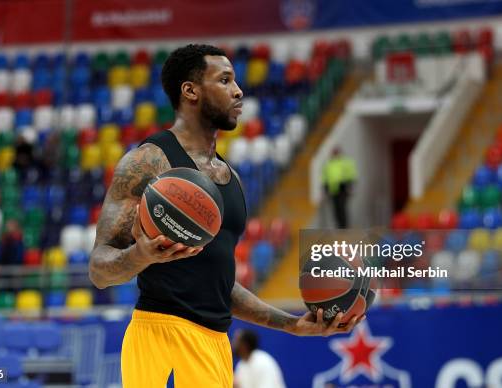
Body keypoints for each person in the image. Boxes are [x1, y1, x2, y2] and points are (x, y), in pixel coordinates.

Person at [89, 44, 365, 388]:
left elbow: (219, 286)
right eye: (225, 80)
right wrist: (139, 255)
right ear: (190, 90)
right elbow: (99, 269)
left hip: (216, 343)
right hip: (158, 333)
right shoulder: (148, 162)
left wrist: (291, 324)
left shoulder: (231, 179)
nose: (239, 91)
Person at [322, 148, 357, 228]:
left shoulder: (345, 162)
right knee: (335, 209)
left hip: (343, 188)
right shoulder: (328, 164)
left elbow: (351, 174)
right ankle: (339, 227)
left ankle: (344, 226)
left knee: (342, 208)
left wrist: (350, 186)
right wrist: (325, 189)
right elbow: (325, 177)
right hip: (333, 189)